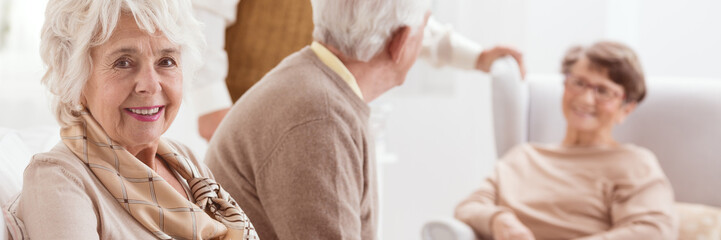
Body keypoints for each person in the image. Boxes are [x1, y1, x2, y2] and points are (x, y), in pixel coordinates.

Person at [204, 0, 524, 239]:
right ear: (401, 44)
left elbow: (389, 15)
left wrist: (475, 56)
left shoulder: (314, 85)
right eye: (424, 29)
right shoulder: (320, 116)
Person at [2, 0, 257, 239]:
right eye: (123, 63)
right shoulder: (57, 180)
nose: (150, 84)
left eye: (166, 61)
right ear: (75, 79)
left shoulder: (185, 163)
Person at [191, 0, 525, 141]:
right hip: (245, 110)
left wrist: (477, 56)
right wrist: (212, 105)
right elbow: (204, 14)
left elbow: (389, 17)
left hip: (319, 110)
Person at [454, 41, 678, 240]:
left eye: (603, 91)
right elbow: (468, 207)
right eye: (578, 83)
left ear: (626, 109)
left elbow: (655, 231)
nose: (586, 98)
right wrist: (499, 220)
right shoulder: (523, 157)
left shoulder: (634, 163)